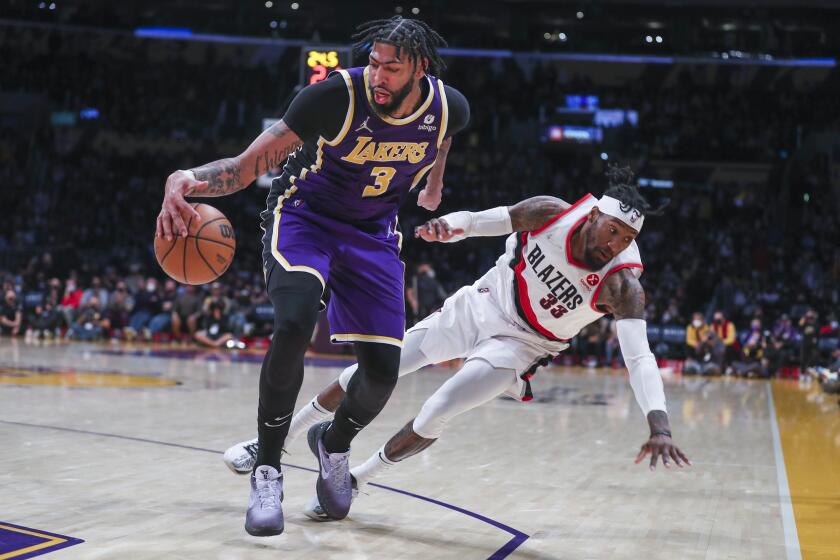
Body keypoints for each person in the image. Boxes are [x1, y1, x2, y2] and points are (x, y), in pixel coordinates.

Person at [223, 165, 690, 522]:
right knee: (382, 366)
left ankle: (356, 479)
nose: (615, 245)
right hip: (482, 302)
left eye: (626, 239)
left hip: (525, 344)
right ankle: (267, 443)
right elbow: (496, 219)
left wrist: (660, 426)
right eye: (613, 231)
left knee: (439, 409)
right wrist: (454, 224)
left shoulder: (623, 285)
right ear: (593, 215)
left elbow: (640, 357)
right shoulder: (552, 213)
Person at [155, 16, 469, 536]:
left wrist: (435, 182)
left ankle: (333, 442)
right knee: (296, 320)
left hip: (372, 231)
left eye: (391, 68)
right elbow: (245, 167)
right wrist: (184, 179)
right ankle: (268, 469)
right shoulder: (331, 98)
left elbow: (446, 135)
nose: (378, 75)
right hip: (305, 219)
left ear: (421, 70)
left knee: (383, 373)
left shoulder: (449, 106)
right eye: (373, 62)